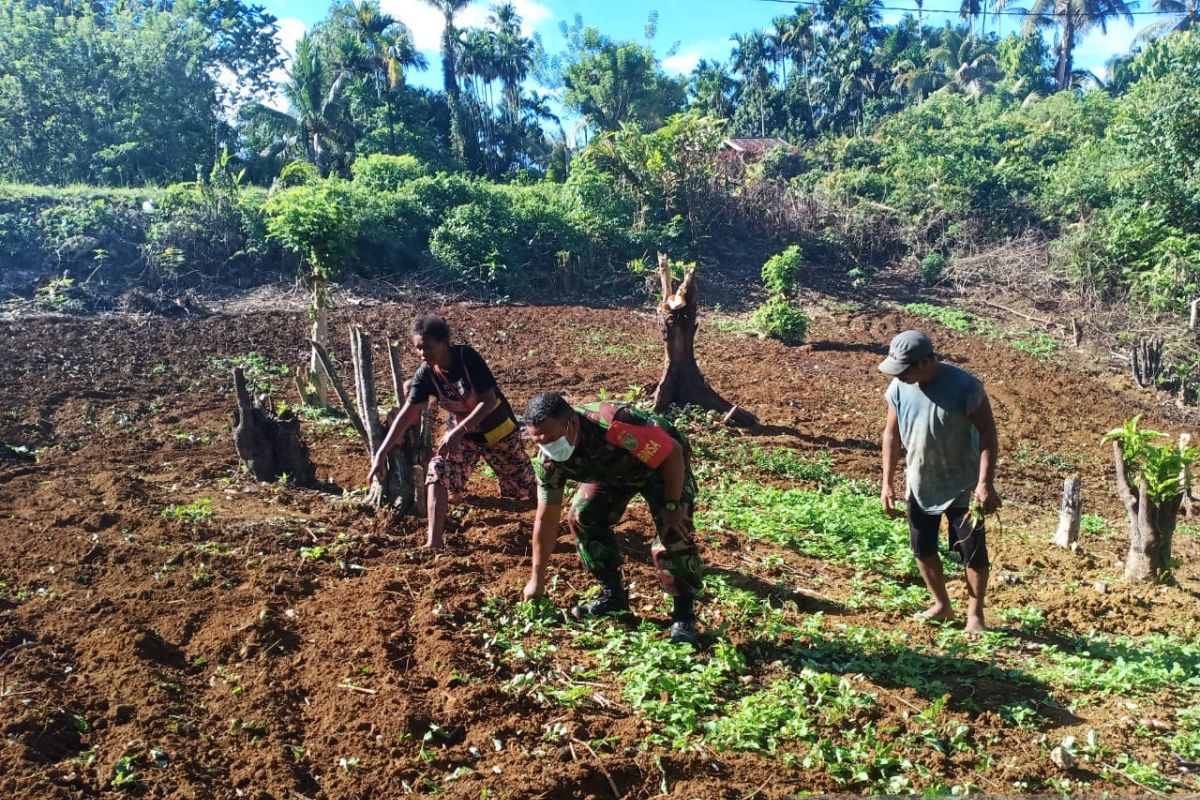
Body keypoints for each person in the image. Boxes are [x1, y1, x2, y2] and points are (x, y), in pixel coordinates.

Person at [519, 392, 704, 645]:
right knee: (583, 516)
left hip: (662, 465)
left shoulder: (614, 424)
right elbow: (546, 519)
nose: (548, 447)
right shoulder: (549, 462)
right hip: (611, 474)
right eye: (539, 441)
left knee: (672, 531)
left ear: (572, 423)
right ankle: (613, 596)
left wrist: (672, 504)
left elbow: (671, 452)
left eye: (552, 438)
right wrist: (536, 581)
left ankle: (684, 615)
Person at [368, 314, 535, 549]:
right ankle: (433, 543)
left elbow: (488, 401)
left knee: (523, 484)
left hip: (498, 431)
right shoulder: (426, 373)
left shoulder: (467, 358)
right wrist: (381, 453)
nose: (423, 354)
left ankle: (548, 519)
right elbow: (407, 413)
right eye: (418, 349)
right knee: (438, 471)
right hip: (462, 438)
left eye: (428, 347)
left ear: (444, 342)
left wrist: (457, 431)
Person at [879, 330, 1001, 633]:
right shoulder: (899, 386)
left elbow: (988, 434)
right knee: (922, 547)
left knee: (972, 551)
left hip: (964, 485)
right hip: (922, 481)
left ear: (924, 362)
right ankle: (942, 605)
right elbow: (891, 435)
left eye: (905, 369)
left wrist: (985, 484)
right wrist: (887, 482)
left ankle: (975, 615)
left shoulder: (966, 387)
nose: (900, 376)